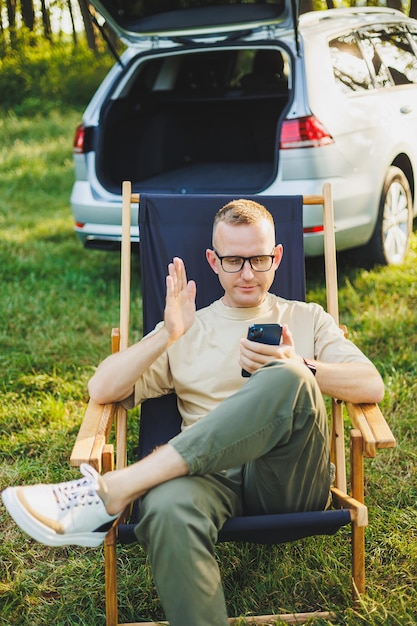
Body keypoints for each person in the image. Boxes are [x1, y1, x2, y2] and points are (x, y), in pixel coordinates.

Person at [2, 199, 384, 626]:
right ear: (212, 261)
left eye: (259, 259)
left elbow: (371, 384)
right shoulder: (188, 328)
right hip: (207, 480)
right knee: (165, 505)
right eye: (233, 260)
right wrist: (167, 333)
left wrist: (302, 364)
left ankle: (118, 487)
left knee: (286, 376)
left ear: (277, 256)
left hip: (288, 477)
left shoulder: (307, 318)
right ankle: (141, 488)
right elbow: (102, 387)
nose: (246, 273)